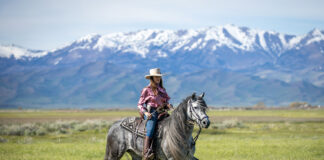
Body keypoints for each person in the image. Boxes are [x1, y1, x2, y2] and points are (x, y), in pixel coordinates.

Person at [137, 68, 173, 160]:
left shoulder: (162, 90)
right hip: (151, 112)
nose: (158, 79)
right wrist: (145, 112)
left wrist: (168, 105)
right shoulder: (146, 90)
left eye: (159, 77)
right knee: (151, 128)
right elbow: (140, 104)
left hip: (162, 112)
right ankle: (146, 153)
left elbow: (167, 100)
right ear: (151, 78)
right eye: (156, 77)